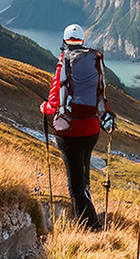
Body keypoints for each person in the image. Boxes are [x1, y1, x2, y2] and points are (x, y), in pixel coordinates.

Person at [41, 23, 115, 230]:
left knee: (75, 186)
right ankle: (85, 217)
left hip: (69, 132)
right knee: (83, 174)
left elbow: (54, 101)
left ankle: (91, 228)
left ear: (65, 41)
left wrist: (45, 107)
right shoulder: (93, 61)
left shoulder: (64, 63)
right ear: (82, 41)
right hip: (92, 129)